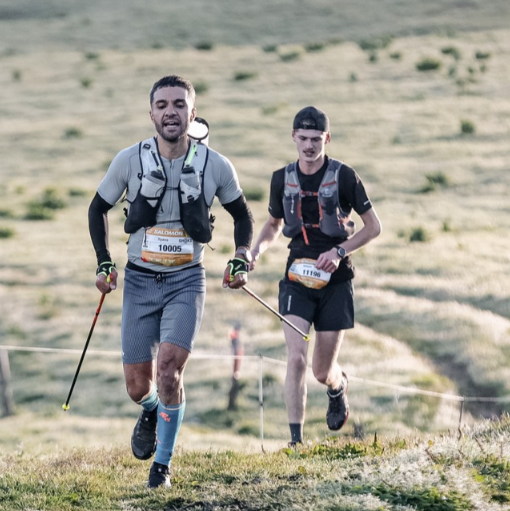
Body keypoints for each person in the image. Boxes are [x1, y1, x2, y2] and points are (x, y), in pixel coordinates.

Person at [87, 75, 254, 488]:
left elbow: (243, 216)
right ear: (151, 114)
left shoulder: (216, 165)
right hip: (141, 280)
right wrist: (104, 263)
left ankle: (161, 464)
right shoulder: (130, 159)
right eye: (162, 105)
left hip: (186, 281)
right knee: (136, 385)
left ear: (192, 113)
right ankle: (149, 410)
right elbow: (97, 208)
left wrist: (240, 258)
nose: (170, 112)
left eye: (179, 104)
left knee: (169, 370)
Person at [249, 106, 383, 448]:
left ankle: (337, 387)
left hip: (335, 282)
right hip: (296, 277)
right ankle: (296, 441)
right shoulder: (281, 178)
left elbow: (373, 227)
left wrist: (339, 252)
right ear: (293, 137)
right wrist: (253, 252)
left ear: (327, 138)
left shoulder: (345, 176)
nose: (309, 146)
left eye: (316, 139)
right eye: (303, 138)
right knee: (295, 357)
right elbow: (274, 225)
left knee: (321, 371)